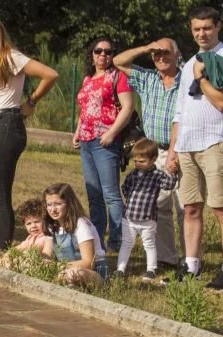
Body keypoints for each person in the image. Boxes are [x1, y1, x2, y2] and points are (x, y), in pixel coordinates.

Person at [0, 15, 59, 260]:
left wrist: (30, 102)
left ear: (0, 34)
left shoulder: (11, 57)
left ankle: (2, 254)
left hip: (6, 124)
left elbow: (50, 74)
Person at [113, 38, 185, 268]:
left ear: (177, 55)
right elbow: (118, 60)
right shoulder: (147, 78)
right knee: (161, 206)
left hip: (182, 148)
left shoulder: (186, 80)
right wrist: (146, 48)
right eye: (156, 54)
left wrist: (175, 153)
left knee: (185, 206)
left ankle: (191, 261)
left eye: (166, 53)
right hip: (154, 151)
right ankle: (167, 258)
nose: (161, 57)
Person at [166, 6, 223, 287]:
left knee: (220, 207)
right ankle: (191, 266)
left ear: (218, 27)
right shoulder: (189, 63)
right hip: (188, 144)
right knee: (191, 207)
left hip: (216, 141)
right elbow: (180, 111)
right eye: (196, 29)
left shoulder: (220, 59)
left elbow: (222, 102)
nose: (202, 33)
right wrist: (174, 150)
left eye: (207, 28)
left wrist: (203, 78)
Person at [72, 36, 134, 253]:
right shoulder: (88, 79)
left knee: (110, 194)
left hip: (105, 141)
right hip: (87, 142)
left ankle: (116, 241)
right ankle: (97, 240)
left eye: (108, 52)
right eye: (98, 51)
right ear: (92, 54)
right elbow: (85, 108)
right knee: (94, 194)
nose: (103, 55)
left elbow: (127, 107)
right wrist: (78, 131)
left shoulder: (118, 76)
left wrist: (112, 133)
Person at [114, 139, 179, 282]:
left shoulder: (157, 175)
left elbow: (168, 185)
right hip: (129, 218)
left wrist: (172, 172)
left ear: (153, 159)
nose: (137, 164)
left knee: (149, 244)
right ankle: (120, 269)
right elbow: (125, 188)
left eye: (142, 161)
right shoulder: (133, 175)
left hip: (147, 219)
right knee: (126, 243)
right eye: (135, 161)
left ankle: (151, 269)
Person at [45, 183, 109, 287]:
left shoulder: (81, 224)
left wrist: (57, 266)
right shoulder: (51, 225)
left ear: (69, 204)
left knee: (74, 273)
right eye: (49, 204)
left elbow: (89, 263)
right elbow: (46, 253)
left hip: (93, 272)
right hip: (63, 269)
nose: (53, 209)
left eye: (58, 204)